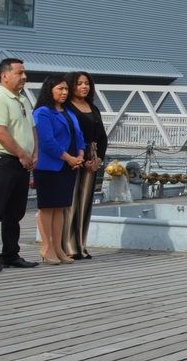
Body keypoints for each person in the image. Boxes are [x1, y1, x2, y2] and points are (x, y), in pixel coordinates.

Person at [0, 58, 39, 272]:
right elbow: (0, 132)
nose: (24, 77)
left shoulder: (22, 99)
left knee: (15, 212)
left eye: (24, 73)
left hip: (22, 161)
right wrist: (22, 154)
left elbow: (32, 129)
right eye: (20, 73)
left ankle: (10, 254)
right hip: (3, 160)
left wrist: (34, 154)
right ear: (5, 75)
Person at [33, 75, 85, 265]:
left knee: (61, 207)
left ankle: (58, 247)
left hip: (68, 165)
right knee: (47, 206)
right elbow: (47, 142)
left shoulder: (69, 111)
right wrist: (69, 158)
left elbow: (78, 135)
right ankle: (47, 247)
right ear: (50, 90)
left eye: (66, 89)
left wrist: (80, 154)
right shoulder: (43, 112)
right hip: (50, 165)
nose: (64, 92)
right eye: (60, 89)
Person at [63, 70, 109, 260]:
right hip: (73, 156)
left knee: (85, 202)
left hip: (92, 155)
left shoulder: (93, 108)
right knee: (71, 201)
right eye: (79, 83)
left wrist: (98, 159)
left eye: (87, 83)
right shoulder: (65, 108)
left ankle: (81, 245)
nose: (84, 87)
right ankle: (68, 245)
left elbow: (103, 137)